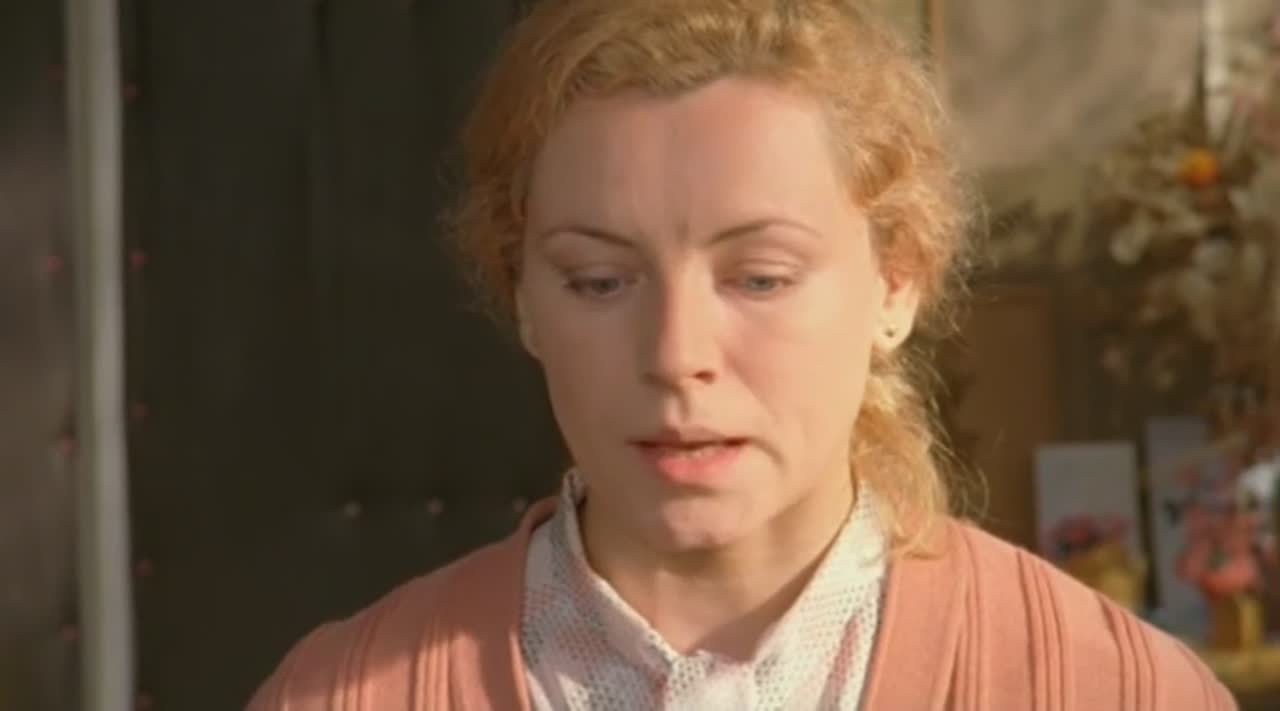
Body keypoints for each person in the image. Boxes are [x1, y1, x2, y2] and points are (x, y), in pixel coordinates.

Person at [249, 0, 1236, 708]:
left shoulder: (1109, 688)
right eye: (599, 280)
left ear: (896, 281)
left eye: (759, 278)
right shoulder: (345, 693)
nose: (676, 356)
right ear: (521, 294)